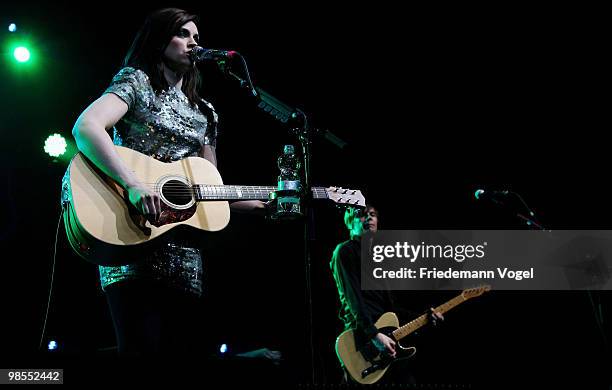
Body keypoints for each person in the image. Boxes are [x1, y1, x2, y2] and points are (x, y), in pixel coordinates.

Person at [65, 8, 269, 359]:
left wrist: (258, 202)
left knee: (183, 362)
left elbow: (208, 191)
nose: (194, 43)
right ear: (160, 39)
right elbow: (86, 127)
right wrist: (133, 184)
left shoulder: (206, 113)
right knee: (140, 355)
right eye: (184, 34)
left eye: (197, 38)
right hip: (129, 231)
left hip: (185, 252)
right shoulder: (136, 83)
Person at [330, 205, 444, 384]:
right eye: (361, 215)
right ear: (349, 222)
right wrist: (374, 335)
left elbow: (391, 309)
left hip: (386, 340)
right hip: (362, 341)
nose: (368, 218)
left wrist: (424, 317)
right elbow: (353, 300)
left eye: (373, 214)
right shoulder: (345, 251)